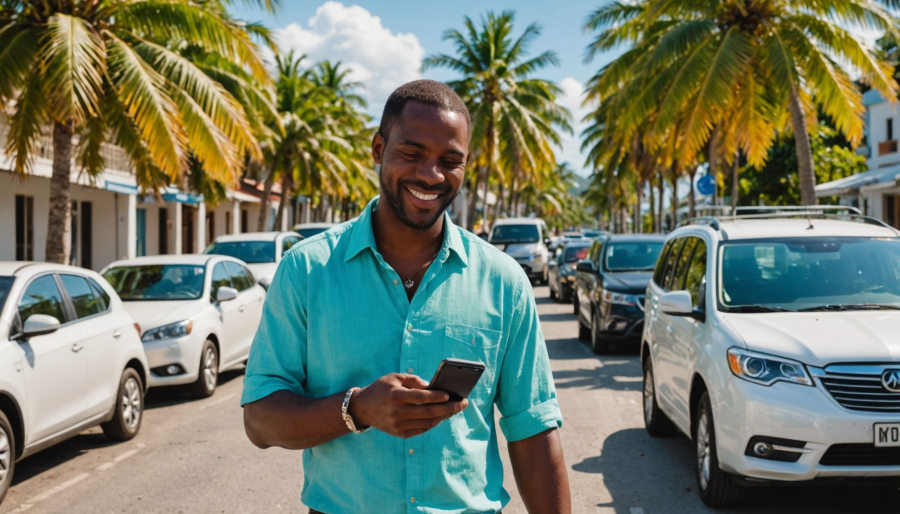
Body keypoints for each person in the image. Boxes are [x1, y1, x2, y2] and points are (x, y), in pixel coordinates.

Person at [241, 79, 571, 514]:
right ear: (379, 149)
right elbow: (260, 420)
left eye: (450, 161)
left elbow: (533, 432)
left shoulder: (504, 282)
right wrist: (357, 409)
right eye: (412, 154)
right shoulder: (306, 271)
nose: (431, 175)